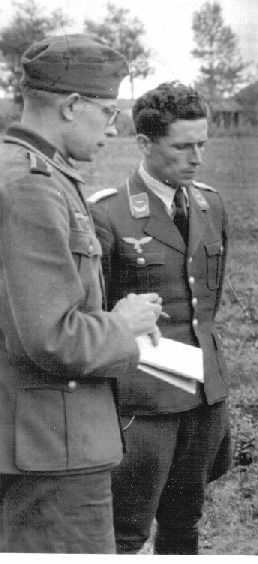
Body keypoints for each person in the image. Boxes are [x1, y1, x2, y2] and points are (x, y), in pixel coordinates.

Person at [0, 34, 163, 553]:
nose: (114, 129)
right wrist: (125, 323)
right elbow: (52, 338)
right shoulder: (31, 186)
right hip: (55, 450)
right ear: (72, 106)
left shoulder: (27, 172)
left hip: (33, 435)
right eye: (108, 112)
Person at [87, 82, 231, 555]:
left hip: (203, 397)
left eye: (202, 145)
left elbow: (207, 308)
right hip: (142, 404)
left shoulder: (210, 205)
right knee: (125, 532)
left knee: (184, 525)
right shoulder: (107, 214)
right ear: (145, 144)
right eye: (183, 146)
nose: (196, 158)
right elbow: (97, 317)